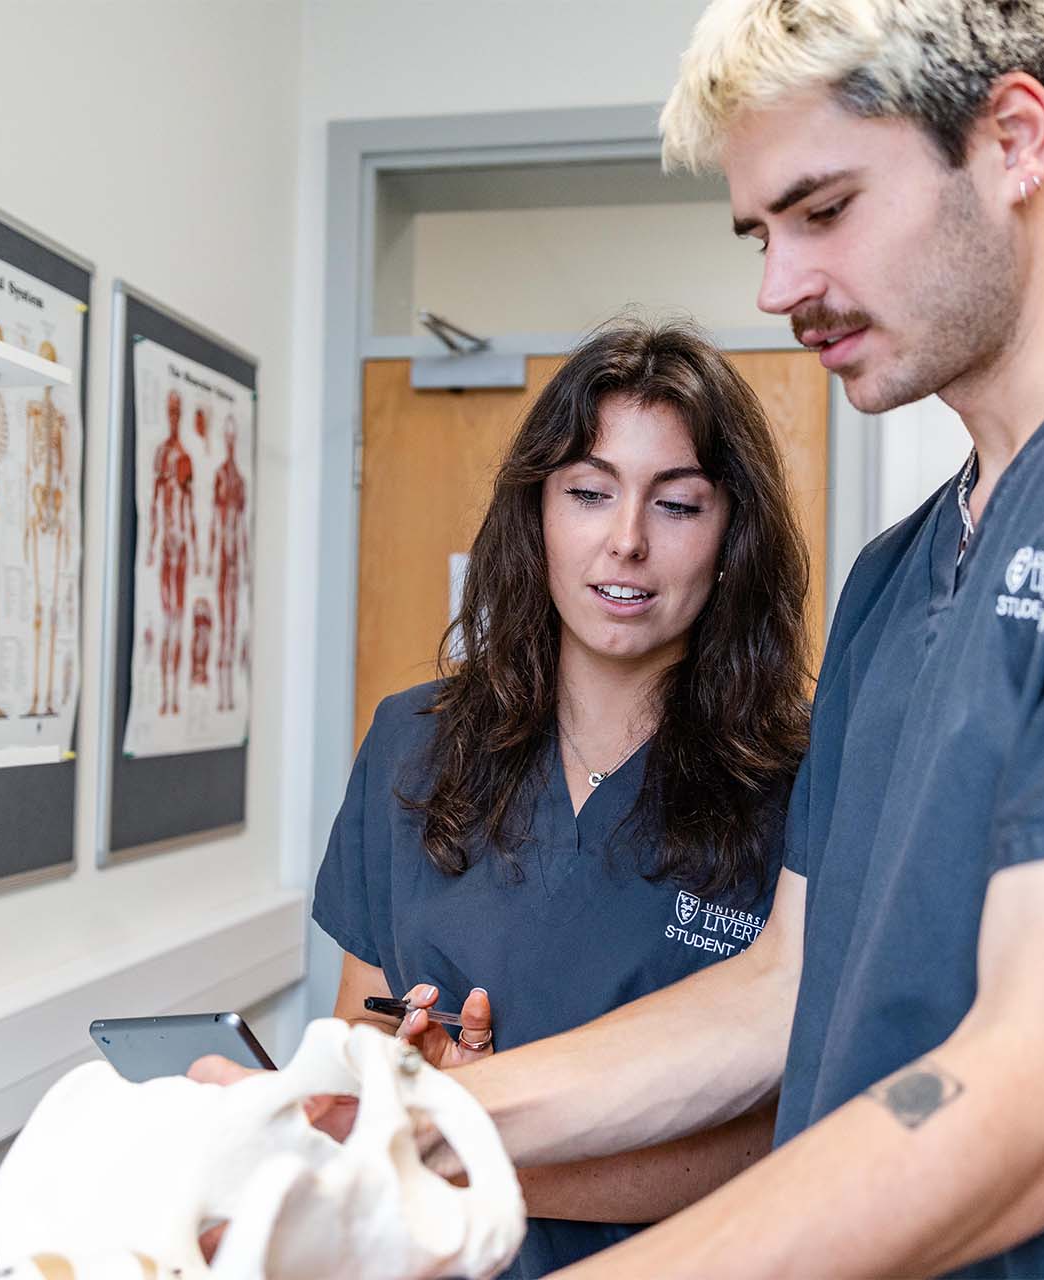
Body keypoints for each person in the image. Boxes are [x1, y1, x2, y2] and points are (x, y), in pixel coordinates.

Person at [410, 3, 1044, 1276]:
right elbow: (782, 987)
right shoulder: (897, 577)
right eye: (761, 233)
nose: (777, 286)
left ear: (1013, 140)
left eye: (825, 210)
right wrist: (400, 1120)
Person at [310, 318, 815, 1275]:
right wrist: (413, 1082)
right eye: (589, 493)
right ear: (535, 513)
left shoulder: (795, 782)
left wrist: (467, 1143)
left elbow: (777, 1135)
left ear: (730, 535)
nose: (625, 542)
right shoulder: (412, 743)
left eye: (677, 505)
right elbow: (357, 1037)